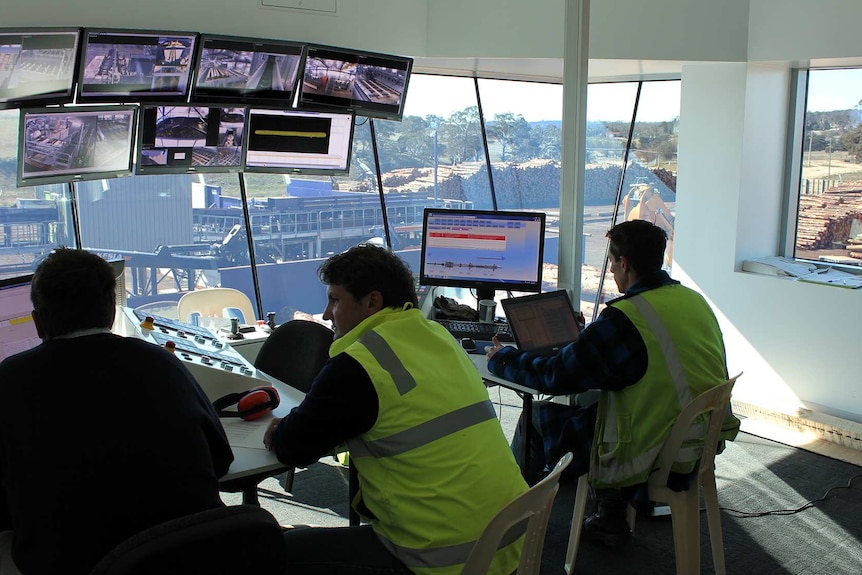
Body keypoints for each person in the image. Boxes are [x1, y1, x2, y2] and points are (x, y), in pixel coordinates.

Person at [263, 243, 528, 575]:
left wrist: (282, 428)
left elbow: (293, 446)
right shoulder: (438, 335)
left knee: (280, 551)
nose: (327, 314)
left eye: (335, 300)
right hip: (510, 542)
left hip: (443, 558)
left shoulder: (358, 365)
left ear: (372, 301)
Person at [485, 219, 739, 547]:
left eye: (611, 262)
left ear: (624, 263)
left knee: (539, 417)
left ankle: (510, 517)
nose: (612, 269)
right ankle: (610, 513)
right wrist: (588, 339)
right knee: (592, 402)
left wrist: (502, 358)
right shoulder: (692, 301)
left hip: (650, 448)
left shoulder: (625, 319)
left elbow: (555, 376)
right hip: (697, 438)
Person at [0, 248, 234, 575]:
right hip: (192, 555)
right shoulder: (162, 362)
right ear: (112, 310)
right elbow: (220, 460)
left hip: (76, 562)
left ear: (39, 322)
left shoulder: (9, 381)